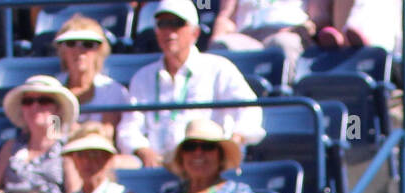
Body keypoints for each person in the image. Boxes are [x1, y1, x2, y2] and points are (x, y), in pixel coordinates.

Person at [116, 0, 265, 168]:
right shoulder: (142, 77)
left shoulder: (218, 68)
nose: (169, 32)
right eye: (162, 24)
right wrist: (144, 151)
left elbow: (250, 110)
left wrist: (233, 141)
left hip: (205, 160)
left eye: (177, 24)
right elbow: (129, 127)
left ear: (195, 33)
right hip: (157, 164)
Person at [0, 75, 79, 193]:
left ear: (57, 109)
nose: (35, 106)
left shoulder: (68, 148)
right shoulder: (10, 147)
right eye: (28, 101)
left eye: (44, 100)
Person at [52, 13, 127, 139]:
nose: (79, 50)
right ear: (62, 50)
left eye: (88, 44)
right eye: (71, 43)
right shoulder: (51, 89)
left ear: (100, 50)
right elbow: (51, 133)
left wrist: (75, 131)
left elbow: (108, 134)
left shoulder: (113, 91)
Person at [209, 0, 314, 83]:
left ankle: (283, 100)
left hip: (289, 31)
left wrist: (302, 28)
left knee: (283, 43)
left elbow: (318, 17)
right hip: (246, 35)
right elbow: (226, 17)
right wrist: (216, 39)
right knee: (221, 46)